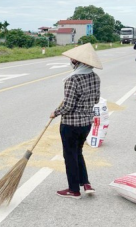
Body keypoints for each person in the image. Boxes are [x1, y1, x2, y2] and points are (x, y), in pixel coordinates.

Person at [50, 43, 101, 199]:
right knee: (78, 152)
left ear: (77, 62)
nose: (71, 61)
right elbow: (96, 99)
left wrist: (55, 112)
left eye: (73, 59)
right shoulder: (95, 77)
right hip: (86, 124)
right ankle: (85, 182)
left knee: (70, 156)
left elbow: (69, 106)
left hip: (71, 125)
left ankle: (74, 190)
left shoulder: (73, 79)